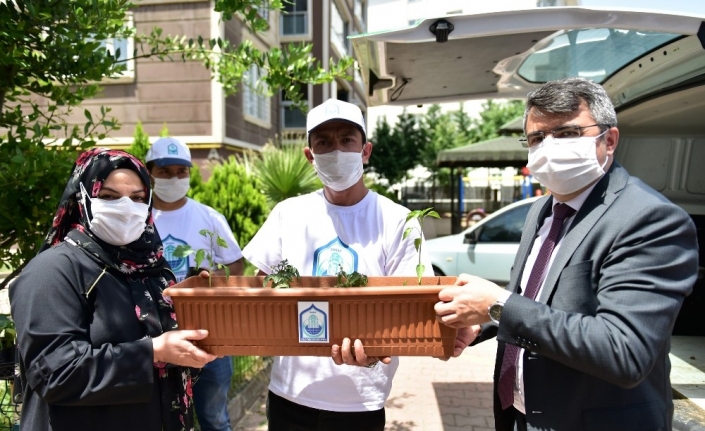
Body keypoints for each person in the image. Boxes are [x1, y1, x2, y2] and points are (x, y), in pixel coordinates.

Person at [434, 77, 699, 431]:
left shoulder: (649, 218)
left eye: (568, 134)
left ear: (609, 139)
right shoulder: (540, 210)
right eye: (537, 138)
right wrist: (483, 322)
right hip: (521, 417)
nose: (549, 147)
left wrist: (497, 305)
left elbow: (624, 352)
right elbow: (539, 301)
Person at [242, 98, 433, 431]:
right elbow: (261, 289)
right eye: (324, 142)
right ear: (309, 155)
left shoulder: (398, 220)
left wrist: (378, 347)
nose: (336, 150)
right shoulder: (289, 214)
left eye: (347, 139)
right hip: (291, 393)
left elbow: (413, 307)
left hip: (359, 398)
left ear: (365, 151)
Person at [9, 148, 216, 431]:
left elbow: (167, 348)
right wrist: (153, 351)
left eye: (138, 198)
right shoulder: (52, 272)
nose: (126, 207)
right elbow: (54, 373)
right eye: (108, 196)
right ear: (82, 199)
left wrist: (195, 345)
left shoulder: (152, 267)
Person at [145, 137, 245, 431]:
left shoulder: (209, 217)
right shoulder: (140, 218)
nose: (174, 178)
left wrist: (211, 278)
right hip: (155, 336)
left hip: (208, 336)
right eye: (165, 172)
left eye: (181, 171)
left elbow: (236, 266)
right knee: (160, 420)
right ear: (149, 173)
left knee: (214, 419)